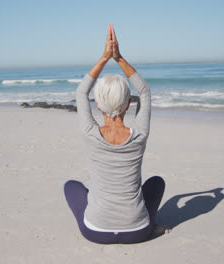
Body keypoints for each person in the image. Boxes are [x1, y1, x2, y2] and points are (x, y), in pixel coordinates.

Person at [63, 24, 165, 244]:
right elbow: (145, 92)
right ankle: (150, 222)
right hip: (138, 232)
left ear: (97, 105)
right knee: (157, 182)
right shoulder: (139, 134)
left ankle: (100, 212)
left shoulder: (90, 132)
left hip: (95, 232)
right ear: (129, 104)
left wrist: (104, 58)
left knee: (71, 186)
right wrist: (118, 58)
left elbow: (81, 92)